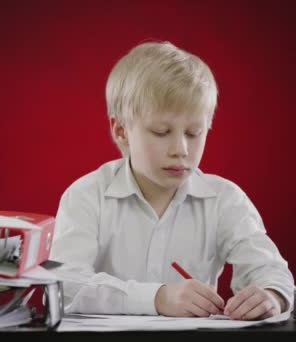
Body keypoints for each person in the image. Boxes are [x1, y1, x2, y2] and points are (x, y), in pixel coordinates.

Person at [49, 41, 294, 320]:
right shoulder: (86, 195)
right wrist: (157, 298)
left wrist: (272, 295)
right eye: (161, 131)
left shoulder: (225, 200)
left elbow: (272, 273)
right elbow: (64, 283)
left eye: (193, 133)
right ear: (121, 131)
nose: (181, 149)